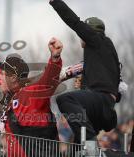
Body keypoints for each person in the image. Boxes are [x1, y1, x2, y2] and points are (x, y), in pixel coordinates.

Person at [0, 36, 63, 157]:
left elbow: (49, 80)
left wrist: (55, 58)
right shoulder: (11, 92)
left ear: (13, 78)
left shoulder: (32, 93)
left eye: (3, 74)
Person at [49, 0, 120, 143]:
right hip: (104, 109)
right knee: (76, 145)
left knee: (64, 99)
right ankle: (86, 145)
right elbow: (117, 87)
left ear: (90, 32)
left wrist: (55, 2)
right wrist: (84, 88)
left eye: (83, 34)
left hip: (101, 102)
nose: (81, 38)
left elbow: (75, 22)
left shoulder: (97, 40)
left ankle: (91, 144)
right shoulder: (105, 56)